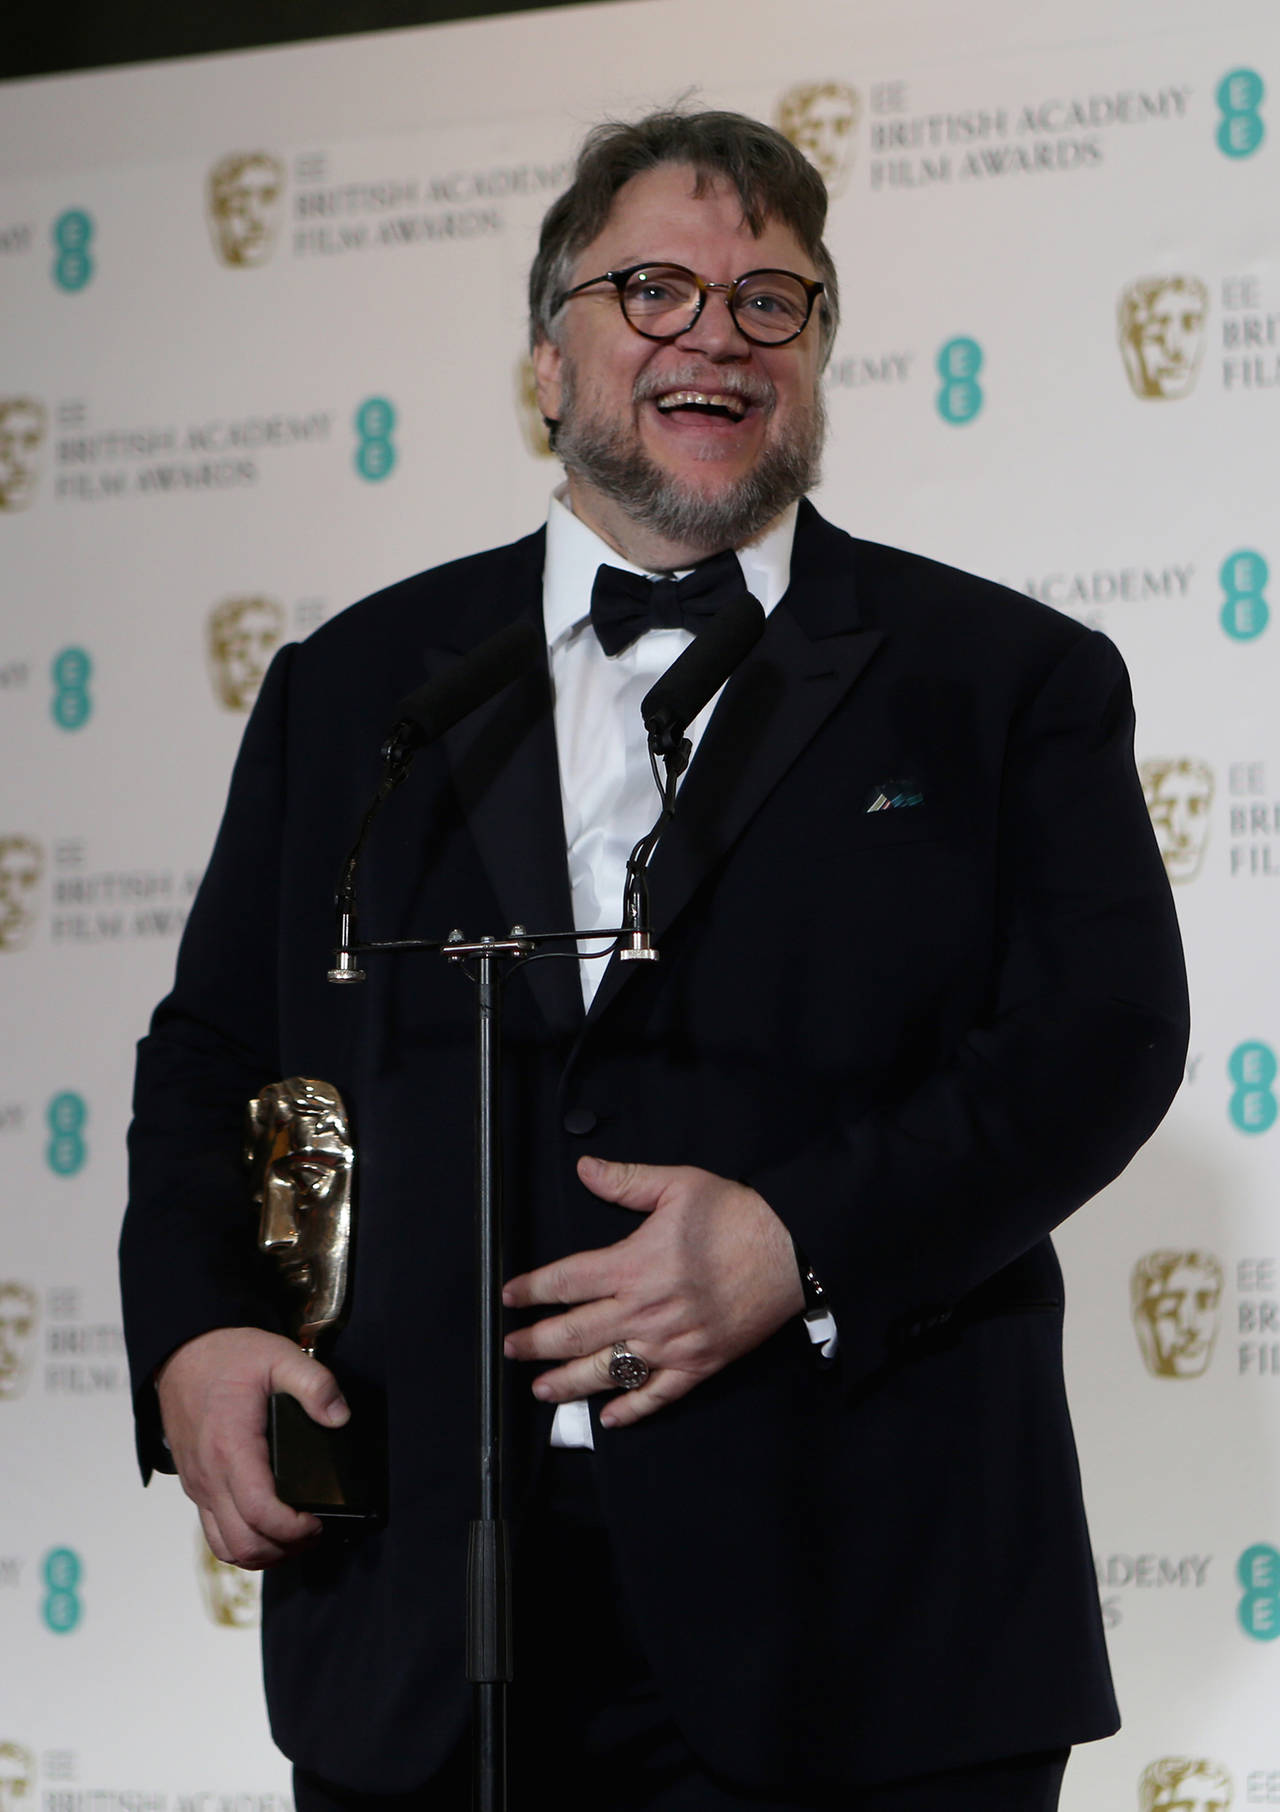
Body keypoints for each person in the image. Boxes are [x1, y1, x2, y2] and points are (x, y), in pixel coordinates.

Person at [121, 109, 1189, 1811]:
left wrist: (798, 1242)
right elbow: (213, 1052)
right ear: (548, 362)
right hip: (425, 1625)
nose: (717, 334)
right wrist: (196, 1332)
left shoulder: (1003, 678)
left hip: (869, 1624)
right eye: (654, 290)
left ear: (816, 358)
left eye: (773, 299)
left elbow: (1099, 1041)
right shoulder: (357, 684)